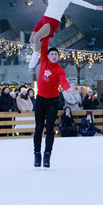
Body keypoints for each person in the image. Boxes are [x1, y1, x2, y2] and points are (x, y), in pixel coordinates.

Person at [28, 0, 103, 70]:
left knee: (36, 38)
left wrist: (95, 7)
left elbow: (81, 2)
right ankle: (42, 51)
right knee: (31, 40)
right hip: (44, 18)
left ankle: (35, 58)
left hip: (53, 21)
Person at [33, 37, 73, 168]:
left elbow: (63, 81)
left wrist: (68, 88)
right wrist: (46, 34)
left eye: (56, 54)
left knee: (49, 129)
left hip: (52, 101)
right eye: (52, 54)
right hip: (40, 100)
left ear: (58, 57)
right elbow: (44, 45)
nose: (54, 56)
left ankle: (47, 155)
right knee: (39, 128)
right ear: (48, 56)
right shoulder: (43, 61)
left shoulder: (60, 70)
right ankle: (37, 154)